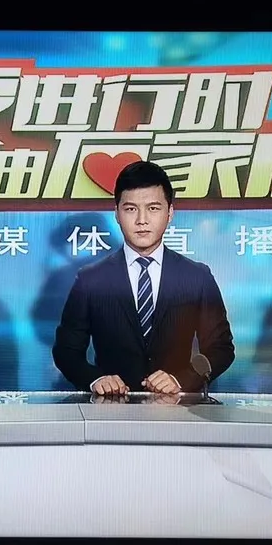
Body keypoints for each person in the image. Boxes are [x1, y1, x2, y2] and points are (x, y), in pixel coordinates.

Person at [52, 161, 234, 401]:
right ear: (117, 213)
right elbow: (66, 352)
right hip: (110, 410)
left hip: (178, 411)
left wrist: (181, 380)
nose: (142, 220)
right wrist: (96, 379)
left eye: (153, 208)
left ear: (170, 213)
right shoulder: (91, 280)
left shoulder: (197, 277)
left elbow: (221, 349)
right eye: (130, 209)